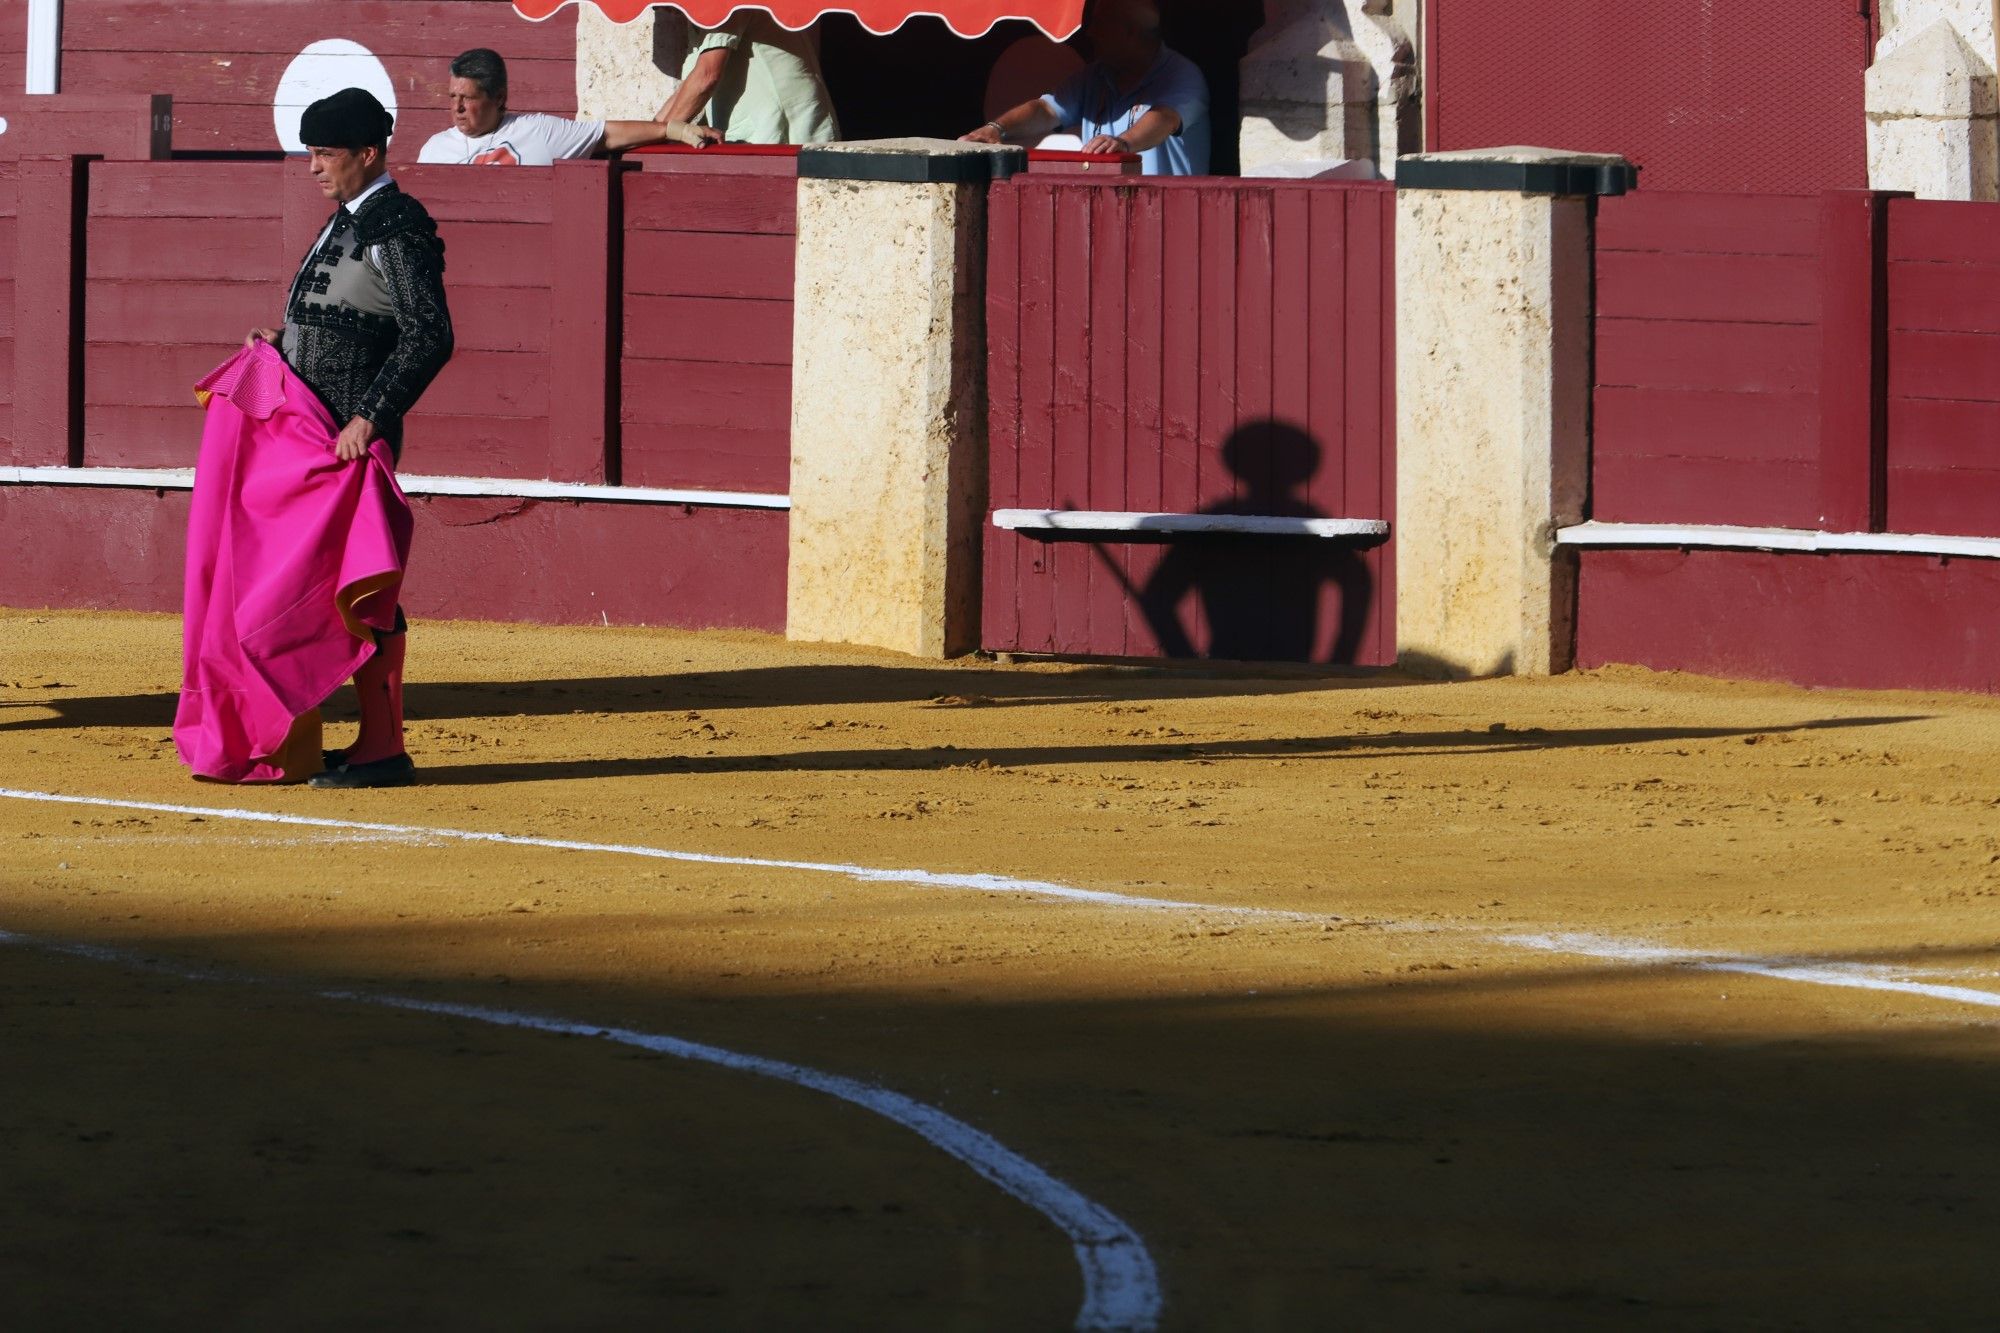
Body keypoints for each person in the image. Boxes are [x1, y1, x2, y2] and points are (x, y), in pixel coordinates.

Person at [244, 87, 455, 788]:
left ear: (368, 154)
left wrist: (370, 415)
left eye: (326, 154)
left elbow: (430, 332)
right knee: (324, 584)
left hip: (349, 443)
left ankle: (383, 746)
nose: (313, 167)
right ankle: (364, 739)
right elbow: (341, 314)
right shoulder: (351, 217)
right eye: (311, 153)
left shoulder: (394, 224)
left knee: (361, 588)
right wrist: (281, 344)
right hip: (316, 439)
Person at [960, 0, 1210, 176]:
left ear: (1130, 33)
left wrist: (1123, 144)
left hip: (1167, 225)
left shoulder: (1181, 74)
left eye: (1100, 24)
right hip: (1107, 216)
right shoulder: (1095, 76)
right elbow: (1046, 109)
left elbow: (1165, 118)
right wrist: (996, 130)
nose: (1090, 33)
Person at [418, 47, 718, 164]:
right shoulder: (434, 150)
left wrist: (676, 130)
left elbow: (607, 135)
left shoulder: (538, 131)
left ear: (498, 98)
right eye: (452, 97)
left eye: (468, 98)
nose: (457, 108)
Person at [657, 14, 840, 145]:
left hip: (783, 129)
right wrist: (651, 131)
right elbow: (689, 85)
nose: (659, 10)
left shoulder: (721, 8)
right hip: (761, 130)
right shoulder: (697, 17)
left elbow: (706, 76)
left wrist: (660, 134)